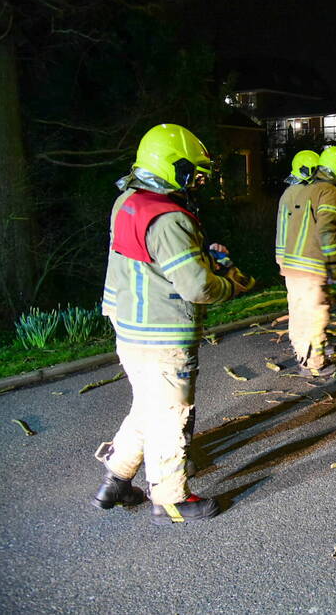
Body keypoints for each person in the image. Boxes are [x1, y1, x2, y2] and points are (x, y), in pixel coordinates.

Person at [94, 123, 254, 524]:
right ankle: (170, 500)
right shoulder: (169, 218)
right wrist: (228, 283)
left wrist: (199, 256)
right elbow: (198, 287)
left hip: (128, 328)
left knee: (149, 405)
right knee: (172, 415)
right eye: (192, 172)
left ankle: (116, 478)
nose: (197, 180)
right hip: (163, 334)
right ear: (171, 167)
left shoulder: (128, 201)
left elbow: (152, 262)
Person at [276, 145, 336, 380]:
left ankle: (302, 353)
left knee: (298, 311)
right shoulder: (329, 191)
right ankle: (316, 366)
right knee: (316, 314)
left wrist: (281, 260)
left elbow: (286, 228)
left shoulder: (297, 190)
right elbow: (325, 230)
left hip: (290, 263)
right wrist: (333, 261)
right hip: (312, 264)